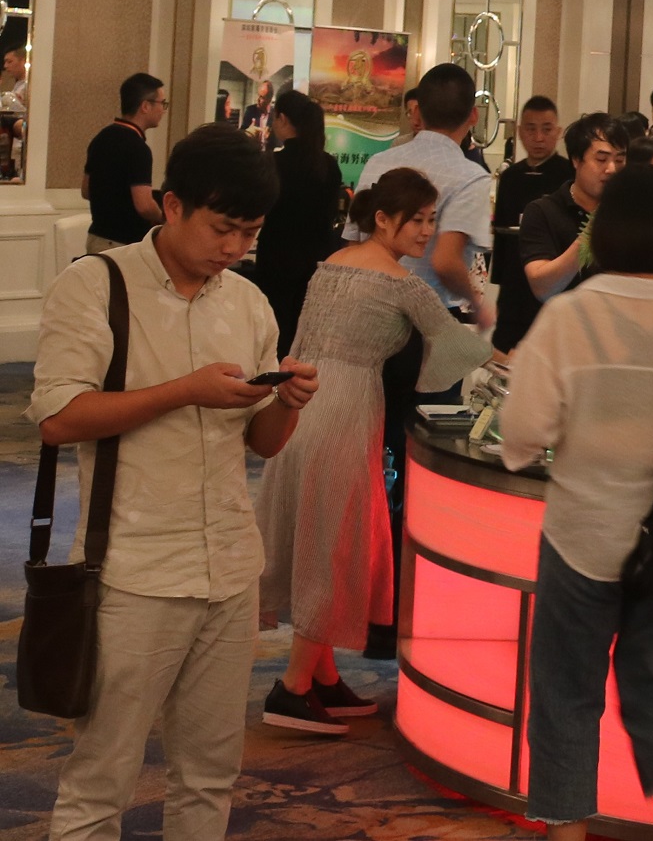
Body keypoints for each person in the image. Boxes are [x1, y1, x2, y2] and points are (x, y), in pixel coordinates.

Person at [32, 124, 319, 841]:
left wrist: (286, 402)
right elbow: (59, 419)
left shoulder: (247, 302)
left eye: (249, 234)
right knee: (101, 781)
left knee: (210, 775)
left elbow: (261, 443)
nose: (234, 248)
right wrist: (184, 390)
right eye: (223, 229)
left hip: (230, 565)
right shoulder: (96, 285)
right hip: (135, 570)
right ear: (172, 205)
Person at [500, 164, 653, 841]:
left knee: (565, 694)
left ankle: (567, 833)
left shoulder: (569, 316)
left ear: (603, 231)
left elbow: (520, 438)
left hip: (580, 537)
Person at [256, 168, 491, 735]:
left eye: (432, 219)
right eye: (418, 220)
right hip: (345, 409)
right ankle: (292, 688)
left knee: (315, 534)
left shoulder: (332, 263)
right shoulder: (403, 283)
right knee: (333, 543)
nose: (427, 231)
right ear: (382, 219)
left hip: (297, 400)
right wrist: (510, 355)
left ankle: (322, 677)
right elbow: (459, 348)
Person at [351, 64, 495, 329]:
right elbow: (446, 262)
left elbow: (353, 243)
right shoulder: (471, 177)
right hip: (428, 318)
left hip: (366, 308)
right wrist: (477, 304)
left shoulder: (378, 162)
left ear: (417, 112)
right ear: (473, 115)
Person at [253, 90, 344, 356]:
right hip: (316, 262)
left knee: (275, 335)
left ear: (282, 118)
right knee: (306, 337)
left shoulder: (273, 163)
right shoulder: (328, 165)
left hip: (276, 261)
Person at [491, 96, 573, 352]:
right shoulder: (509, 177)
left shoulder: (569, 175)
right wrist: (499, 285)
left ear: (558, 132)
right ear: (519, 132)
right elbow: (501, 234)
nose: (538, 138)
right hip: (513, 283)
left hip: (552, 279)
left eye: (546, 130)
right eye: (530, 129)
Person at [521, 115, 629, 305]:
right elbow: (543, 288)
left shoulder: (630, 212)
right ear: (576, 160)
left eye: (619, 160)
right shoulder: (542, 211)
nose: (612, 169)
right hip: (561, 321)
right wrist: (592, 229)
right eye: (601, 159)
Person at [82, 72, 168, 253]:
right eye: (162, 103)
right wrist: (162, 218)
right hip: (123, 244)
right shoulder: (138, 148)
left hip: (97, 238)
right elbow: (144, 206)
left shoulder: (101, 137)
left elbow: (87, 190)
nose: (163, 110)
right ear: (145, 106)